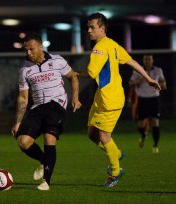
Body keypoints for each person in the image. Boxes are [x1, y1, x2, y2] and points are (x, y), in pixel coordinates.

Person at [77, 13, 161, 187]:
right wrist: (148, 78)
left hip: (111, 99)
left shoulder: (100, 48)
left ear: (102, 28)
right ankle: (115, 152)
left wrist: (74, 74)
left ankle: (115, 171)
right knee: (92, 135)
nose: (89, 30)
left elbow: (91, 73)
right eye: (88, 27)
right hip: (101, 98)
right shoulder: (113, 45)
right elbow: (132, 62)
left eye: (92, 27)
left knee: (103, 135)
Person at [11, 32, 81, 191]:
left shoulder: (57, 60)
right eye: (26, 50)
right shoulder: (25, 70)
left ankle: (46, 181)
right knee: (23, 142)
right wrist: (18, 122)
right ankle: (45, 161)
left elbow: (73, 77)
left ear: (41, 46)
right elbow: (23, 98)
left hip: (56, 105)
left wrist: (75, 97)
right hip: (37, 108)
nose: (29, 52)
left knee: (49, 140)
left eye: (32, 49)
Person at [129, 54, 167, 153]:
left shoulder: (158, 70)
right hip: (142, 99)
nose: (147, 61)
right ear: (143, 60)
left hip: (154, 99)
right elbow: (130, 83)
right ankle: (143, 135)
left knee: (155, 122)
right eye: (145, 59)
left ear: (152, 60)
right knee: (140, 124)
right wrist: (138, 81)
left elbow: (163, 82)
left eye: (149, 59)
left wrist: (163, 84)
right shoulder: (138, 70)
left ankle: (155, 145)